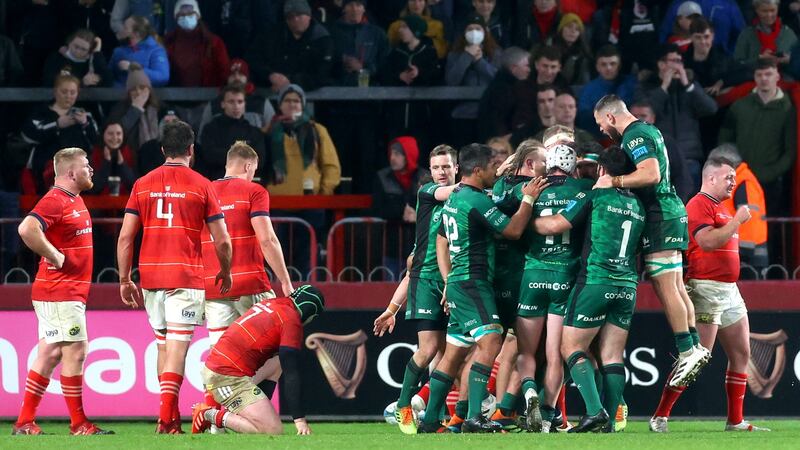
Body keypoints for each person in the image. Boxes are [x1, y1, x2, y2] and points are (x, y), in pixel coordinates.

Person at [416, 143, 547, 433]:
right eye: (491, 168)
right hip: (473, 282)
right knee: (490, 341)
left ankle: (428, 422)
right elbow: (512, 231)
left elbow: (441, 238)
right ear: (477, 170)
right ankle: (475, 416)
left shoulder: (457, 197)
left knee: (454, 354)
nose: (494, 173)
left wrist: (448, 279)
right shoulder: (476, 201)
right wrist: (527, 200)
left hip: (460, 281)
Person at [117, 120, 233, 434]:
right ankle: (165, 419)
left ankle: (168, 419)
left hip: (151, 277)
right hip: (185, 274)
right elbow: (221, 239)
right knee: (178, 348)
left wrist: (125, 279)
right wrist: (224, 269)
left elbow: (126, 237)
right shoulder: (202, 184)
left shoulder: (142, 183)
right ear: (191, 150)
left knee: (163, 347)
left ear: (163, 150)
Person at [594, 95, 711, 388]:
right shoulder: (649, 130)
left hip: (660, 214)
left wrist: (614, 181)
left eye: (600, 124)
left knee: (664, 285)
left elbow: (650, 173)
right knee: (674, 285)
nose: (601, 131)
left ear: (610, 117)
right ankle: (694, 346)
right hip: (671, 212)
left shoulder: (635, 135)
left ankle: (685, 349)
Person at [649, 158, 770, 433]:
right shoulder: (698, 204)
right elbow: (706, 242)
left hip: (729, 290)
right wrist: (738, 221)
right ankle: (660, 416)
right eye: (728, 177)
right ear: (711, 178)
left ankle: (735, 421)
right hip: (705, 288)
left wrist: (734, 219)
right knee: (695, 358)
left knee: (742, 354)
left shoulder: (721, 208)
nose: (732, 182)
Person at [533, 145, 645, 433]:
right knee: (611, 355)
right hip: (627, 285)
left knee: (571, 347)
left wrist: (528, 219)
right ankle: (609, 420)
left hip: (596, 280)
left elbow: (557, 224)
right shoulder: (638, 205)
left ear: (602, 171)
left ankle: (595, 412)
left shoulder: (596, 195)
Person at [12, 148, 112, 436]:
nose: (91, 169)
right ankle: (79, 424)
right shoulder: (55, 199)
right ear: (70, 173)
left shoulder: (73, 198)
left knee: (50, 352)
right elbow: (27, 228)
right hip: (60, 290)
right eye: (86, 165)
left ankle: (24, 422)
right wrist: (55, 256)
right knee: (76, 350)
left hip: (63, 291)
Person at [373, 144, 459, 434]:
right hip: (428, 283)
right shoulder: (428, 194)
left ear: (456, 167)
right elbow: (412, 270)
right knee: (430, 349)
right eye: (436, 167)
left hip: (455, 282)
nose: (441, 172)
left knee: (452, 353)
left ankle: (436, 417)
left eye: (446, 166)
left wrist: (391, 308)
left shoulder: (462, 205)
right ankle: (403, 405)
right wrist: (391, 308)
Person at [516, 143, 591, 432]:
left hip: (533, 274)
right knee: (554, 354)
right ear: (573, 166)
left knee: (525, 352)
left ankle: (529, 392)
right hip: (564, 277)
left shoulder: (533, 187)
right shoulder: (583, 189)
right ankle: (547, 416)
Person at [193, 285, 324, 435]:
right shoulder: (291, 319)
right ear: (310, 313)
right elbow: (291, 374)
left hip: (224, 368)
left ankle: (255, 411)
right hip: (226, 377)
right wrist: (299, 420)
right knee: (272, 429)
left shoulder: (272, 303)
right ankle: (208, 415)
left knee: (279, 360)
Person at [718, 59, 796, 219]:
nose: (764, 78)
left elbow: (791, 151)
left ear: (777, 76)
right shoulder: (739, 106)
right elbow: (724, 142)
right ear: (754, 77)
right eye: (759, 74)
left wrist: (770, 173)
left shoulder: (788, 110)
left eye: (768, 74)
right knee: (741, 226)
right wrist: (735, 169)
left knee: (771, 228)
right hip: (741, 179)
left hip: (772, 181)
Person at [638, 43, 718, 192]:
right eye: (674, 61)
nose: (678, 66)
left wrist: (688, 85)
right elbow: (646, 112)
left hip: (689, 157)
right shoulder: (647, 86)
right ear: (661, 64)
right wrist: (664, 86)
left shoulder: (689, 87)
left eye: (680, 62)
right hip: (660, 158)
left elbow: (711, 108)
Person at [22, 73, 99, 194]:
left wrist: (85, 124)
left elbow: (96, 141)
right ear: (55, 91)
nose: (68, 96)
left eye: (72, 92)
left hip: (79, 172)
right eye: (64, 92)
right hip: (47, 169)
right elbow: (29, 136)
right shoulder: (41, 113)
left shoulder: (85, 115)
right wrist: (57, 125)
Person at [246, 0, 334, 92]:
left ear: (309, 16)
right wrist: (270, 75)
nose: (295, 19)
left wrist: (290, 81)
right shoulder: (272, 34)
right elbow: (253, 57)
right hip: (272, 90)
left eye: (299, 15)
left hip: (312, 95)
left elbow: (322, 74)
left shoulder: (322, 38)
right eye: (290, 16)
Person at [709, 144, 769, 271]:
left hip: (748, 260)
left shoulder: (744, 182)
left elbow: (749, 220)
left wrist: (742, 252)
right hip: (741, 255)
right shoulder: (737, 181)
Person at [445, 14, 502, 147]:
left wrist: (479, 61)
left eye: (478, 28)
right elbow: (452, 81)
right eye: (470, 29)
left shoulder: (496, 52)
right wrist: (466, 57)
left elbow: (497, 78)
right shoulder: (454, 54)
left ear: (485, 31)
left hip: (489, 113)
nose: (474, 32)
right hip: (462, 114)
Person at [198, 84, 267, 181]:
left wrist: (228, 156)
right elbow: (209, 157)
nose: (236, 106)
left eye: (240, 102)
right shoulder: (210, 129)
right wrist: (245, 157)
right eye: (231, 101)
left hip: (247, 185)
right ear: (223, 104)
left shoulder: (254, 132)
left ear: (244, 104)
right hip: (218, 183)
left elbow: (260, 161)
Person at [629, 99, 693, 203]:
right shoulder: (623, 143)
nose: (638, 120)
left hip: (666, 205)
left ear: (653, 118)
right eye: (634, 116)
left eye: (643, 116)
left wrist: (678, 203)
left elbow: (683, 177)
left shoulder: (667, 143)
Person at [197, 59, 277, 141]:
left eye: (241, 74)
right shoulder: (214, 105)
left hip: (254, 151)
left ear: (247, 77)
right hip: (223, 151)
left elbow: (274, 133)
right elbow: (202, 138)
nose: (237, 77)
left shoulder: (262, 103)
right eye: (232, 74)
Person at [164, 0, 231, 87]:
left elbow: (224, 70)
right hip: (175, 95)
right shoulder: (169, 41)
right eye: (182, 15)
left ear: (198, 16)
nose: (186, 17)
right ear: (176, 18)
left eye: (190, 14)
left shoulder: (213, 42)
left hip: (208, 95)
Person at [576, 45, 637, 137]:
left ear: (619, 65)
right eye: (603, 64)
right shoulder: (588, 89)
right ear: (597, 67)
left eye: (612, 64)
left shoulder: (632, 84)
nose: (608, 68)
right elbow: (584, 118)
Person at [477, 46, 530, 141]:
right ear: (513, 68)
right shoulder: (502, 90)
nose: (529, 70)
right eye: (527, 66)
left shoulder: (503, 84)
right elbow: (496, 120)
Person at [108, 64, 163, 154]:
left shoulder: (160, 108)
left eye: (142, 88)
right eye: (133, 89)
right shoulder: (119, 109)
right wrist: (135, 109)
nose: (138, 92)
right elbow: (119, 133)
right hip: (132, 156)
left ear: (148, 89)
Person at [659, 0, 746, 55]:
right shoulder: (678, 4)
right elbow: (665, 37)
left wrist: (729, 54)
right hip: (686, 62)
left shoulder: (728, 4)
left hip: (720, 62)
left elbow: (741, 35)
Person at [734, 0, 797, 70]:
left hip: (784, 77)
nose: (769, 15)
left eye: (772, 10)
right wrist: (759, 59)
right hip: (753, 78)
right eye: (764, 11)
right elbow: (737, 64)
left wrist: (790, 60)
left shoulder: (788, 33)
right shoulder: (747, 34)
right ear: (756, 10)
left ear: (777, 9)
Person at [108, 15, 169, 87]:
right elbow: (108, 76)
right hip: (120, 96)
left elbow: (162, 77)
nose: (121, 30)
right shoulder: (118, 51)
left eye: (125, 28)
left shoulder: (156, 51)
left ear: (136, 34)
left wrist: (133, 68)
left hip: (145, 95)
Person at [42, 29, 112, 87]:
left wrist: (97, 52)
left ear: (89, 50)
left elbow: (108, 82)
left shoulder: (93, 61)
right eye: (76, 46)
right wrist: (82, 82)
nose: (78, 51)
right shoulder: (57, 58)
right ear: (69, 42)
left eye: (83, 49)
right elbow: (50, 82)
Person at [88, 121, 136, 196]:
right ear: (103, 135)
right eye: (110, 134)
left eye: (118, 133)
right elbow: (93, 188)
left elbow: (135, 187)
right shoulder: (93, 155)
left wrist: (122, 165)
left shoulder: (132, 154)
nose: (115, 137)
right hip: (98, 204)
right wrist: (106, 163)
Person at [551, 13, 592, 86]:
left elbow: (584, 82)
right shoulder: (550, 48)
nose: (573, 31)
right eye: (569, 27)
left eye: (577, 29)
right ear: (561, 29)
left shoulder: (583, 54)